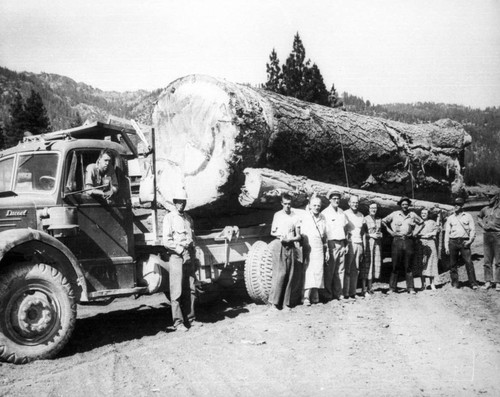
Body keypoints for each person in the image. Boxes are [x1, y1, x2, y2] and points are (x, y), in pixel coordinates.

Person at [162, 189, 197, 331]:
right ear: (174, 203)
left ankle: (191, 318)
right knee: (176, 290)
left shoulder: (188, 219)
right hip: (176, 255)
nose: (181, 204)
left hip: (189, 255)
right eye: (178, 202)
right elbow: (166, 241)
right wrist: (180, 250)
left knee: (191, 288)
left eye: (183, 202)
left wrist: (192, 252)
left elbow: (193, 237)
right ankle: (178, 322)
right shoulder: (169, 218)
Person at [382, 197, 423, 294]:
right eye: (403, 204)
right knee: (395, 265)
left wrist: (415, 233)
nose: (405, 206)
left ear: (409, 205)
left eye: (407, 204)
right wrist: (391, 232)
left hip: (408, 241)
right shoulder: (395, 214)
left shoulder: (412, 215)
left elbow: (421, 223)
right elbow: (383, 221)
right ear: (400, 205)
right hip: (397, 241)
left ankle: (410, 288)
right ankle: (392, 288)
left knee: (408, 265)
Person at [268, 193, 302, 311]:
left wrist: (291, 239)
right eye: (285, 204)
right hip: (280, 244)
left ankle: (286, 303)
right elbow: (272, 232)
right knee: (279, 273)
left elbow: (298, 236)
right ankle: (274, 303)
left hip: (291, 244)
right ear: (282, 203)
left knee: (290, 273)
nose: (288, 206)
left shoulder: (295, 216)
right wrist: (280, 235)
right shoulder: (277, 215)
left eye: (289, 204)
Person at [444, 197, 478, 290]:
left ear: (462, 205)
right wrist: (446, 246)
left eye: (458, 204)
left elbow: (472, 230)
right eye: (454, 204)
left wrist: (470, 241)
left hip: (464, 242)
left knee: (468, 262)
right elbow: (447, 232)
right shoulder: (450, 218)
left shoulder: (468, 216)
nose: (455, 206)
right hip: (453, 242)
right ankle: (455, 282)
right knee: (453, 263)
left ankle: (473, 283)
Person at [301, 195, 329, 306]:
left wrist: (326, 250)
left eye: (319, 205)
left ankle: (315, 295)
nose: (317, 207)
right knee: (309, 270)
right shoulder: (306, 216)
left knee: (318, 270)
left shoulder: (323, 217)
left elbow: (325, 235)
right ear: (310, 206)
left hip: (319, 247)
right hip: (309, 246)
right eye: (314, 205)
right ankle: (306, 296)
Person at [321, 190, 348, 301]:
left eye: (338, 198)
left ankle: (339, 293)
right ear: (330, 199)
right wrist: (327, 247)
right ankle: (328, 294)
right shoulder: (325, 213)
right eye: (334, 198)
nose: (337, 200)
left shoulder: (341, 212)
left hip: (342, 243)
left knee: (340, 270)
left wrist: (346, 244)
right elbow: (324, 232)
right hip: (331, 243)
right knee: (330, 271)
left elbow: (345, 228)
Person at [344, 195, 366, 299]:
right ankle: (346, 292)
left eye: (356, 202)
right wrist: (346, 243)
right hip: (350, 243)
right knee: (347, 268)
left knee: (356, 268)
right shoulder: (345, 214)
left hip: (359, 243)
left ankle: (353, 292)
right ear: (349, 203)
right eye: (353, 202)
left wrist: (363, 245)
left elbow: (362, 232)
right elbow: (343, 229)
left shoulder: (361, 215)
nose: (355, 204)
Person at [414, 208, 440, 291]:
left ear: (428, 214)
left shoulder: (432, 222)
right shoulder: (418, 223)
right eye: (422, 213)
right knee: (422, 263)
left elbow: (436, 231)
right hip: (421, 243)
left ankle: (432, 284)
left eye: (425, 213)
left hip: (430, 242)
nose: (423, 214)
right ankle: (423, 284)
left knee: (431, 262)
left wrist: (430, 234)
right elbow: (414, 232)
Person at [478, 193, 500, 291]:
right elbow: (479, 217)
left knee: (499, 261)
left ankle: (498, 282)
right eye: (488, 197)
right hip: (487, 236)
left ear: (497, 198)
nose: (489, 199)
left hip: (498, 236)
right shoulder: (485, 209)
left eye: (491, 197)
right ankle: (488, 281)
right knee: (487, 260)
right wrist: (483, 225)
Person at [363, 202, 383, 295]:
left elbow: (380, 231)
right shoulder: (365, 219)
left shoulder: (379, 219)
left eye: (375, 208)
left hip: (377, 245)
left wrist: (380, 235)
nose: (373, 210)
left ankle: (370, 287)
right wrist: (371, 235)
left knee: (374, 264)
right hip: (368, 243)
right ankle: (364, 288)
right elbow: (362, 233)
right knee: (367, 264)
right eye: (371, 208)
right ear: (368, 209)